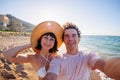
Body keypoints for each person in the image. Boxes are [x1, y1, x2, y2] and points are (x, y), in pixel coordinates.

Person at [42, 22, 120, 80]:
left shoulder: (88, 56)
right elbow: (51, 75)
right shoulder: (58, 59)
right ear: (63, 40)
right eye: (67, 36)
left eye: (74, 35)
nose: (70, 39)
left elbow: (105, 65)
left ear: (79, 39)